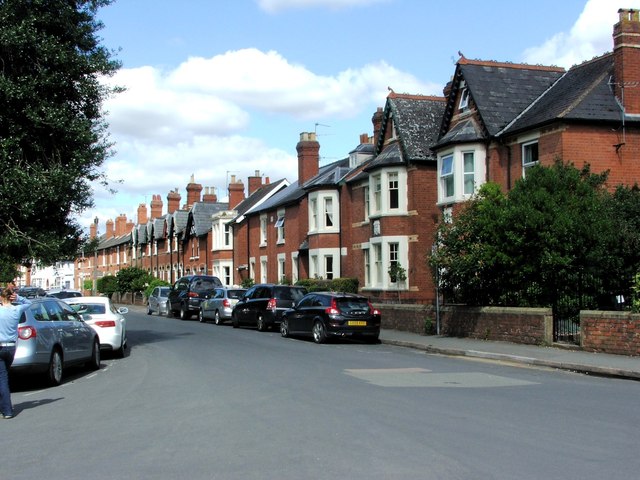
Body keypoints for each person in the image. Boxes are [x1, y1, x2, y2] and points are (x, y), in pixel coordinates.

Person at [0, 282, 31, 419]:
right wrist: (18, 298)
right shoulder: (16, 310)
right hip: (11, 347)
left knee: (2, 379)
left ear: (1, 298)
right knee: (3, 376)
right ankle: (4, 407)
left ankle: (7, 410)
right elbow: (29, 303)